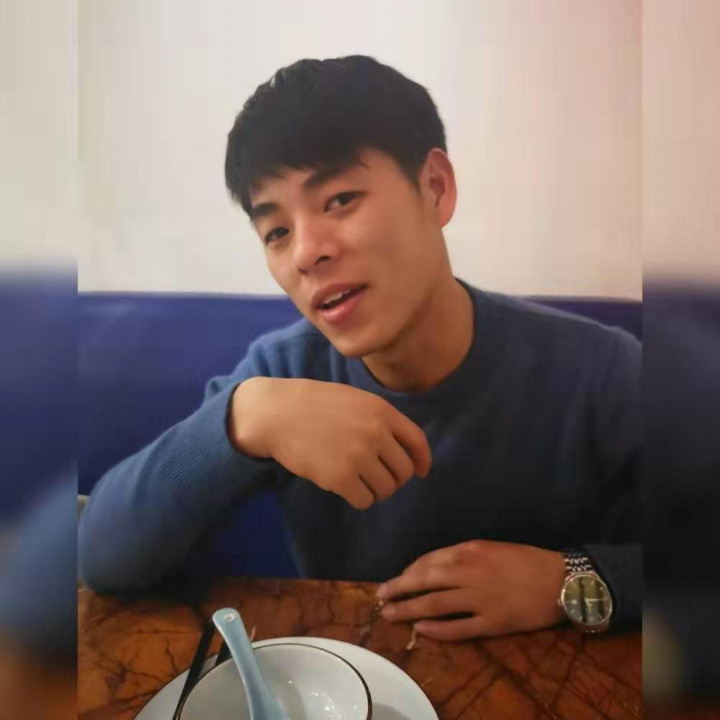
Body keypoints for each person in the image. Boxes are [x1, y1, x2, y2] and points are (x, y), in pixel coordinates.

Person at [79, 55, 641, 640]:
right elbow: (101, 556)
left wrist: (569, 580)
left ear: (435, 188)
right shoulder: (283, 375)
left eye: (340, 199)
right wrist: (244, 420)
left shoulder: (598, 369)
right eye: (277, 231)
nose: (306, 253)